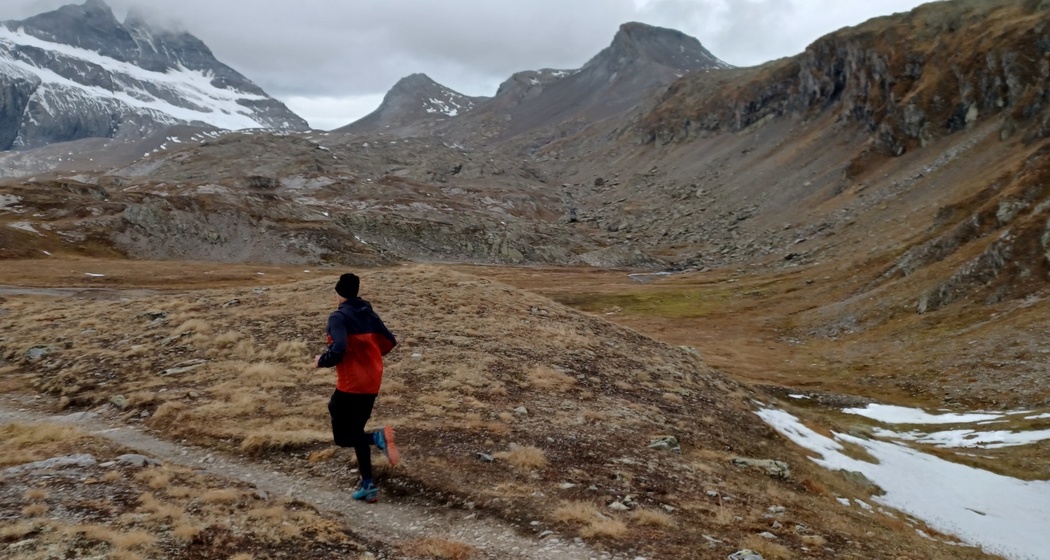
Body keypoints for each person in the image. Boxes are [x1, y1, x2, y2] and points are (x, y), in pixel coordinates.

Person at [314, 272, 399, 503]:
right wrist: (368, 357)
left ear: (338, 293)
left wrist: (321, 360)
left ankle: (378, 438)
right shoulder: (368, 312)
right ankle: (368, 486)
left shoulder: (338, 317)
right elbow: (389, 342)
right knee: (357, 433)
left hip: (351, 384)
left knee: (343, 437)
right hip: (372, 382)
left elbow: (339, 349)